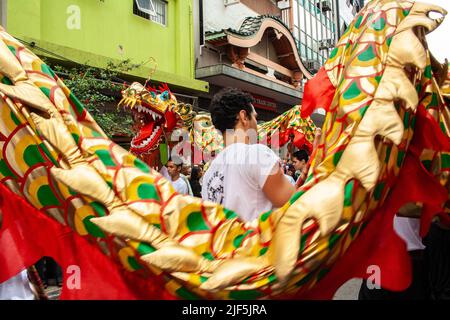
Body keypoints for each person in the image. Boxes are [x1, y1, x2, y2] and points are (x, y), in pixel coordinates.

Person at [201, 88, 295, 222]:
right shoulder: (257, 155)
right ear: (244, 117)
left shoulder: (209, 173)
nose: (257, 124)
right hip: (259, 241)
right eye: (255, 117)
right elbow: (295, 206)